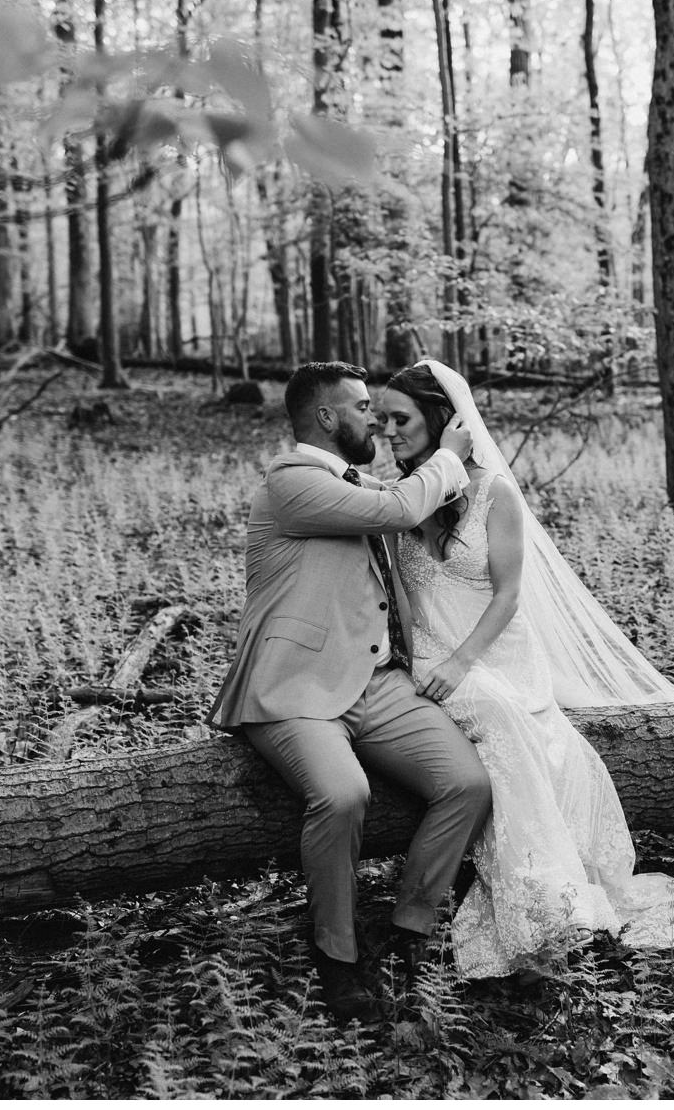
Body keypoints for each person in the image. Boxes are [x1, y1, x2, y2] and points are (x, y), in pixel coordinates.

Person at [377, 359, 674, 979]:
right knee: (497, 718)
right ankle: (545, 900)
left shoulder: (493, 493)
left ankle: (550, 902)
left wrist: (463, 662)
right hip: (432, 651)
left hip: (494, 650)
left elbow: (507, 596)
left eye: (401, 418)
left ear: (443, 420)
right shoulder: (400, 499)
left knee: (514, 720)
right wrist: (422, 661)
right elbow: (403, 598)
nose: (389, 431)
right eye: (382, 419)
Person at [208, 361, 493, 1022]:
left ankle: (412, 926)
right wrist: (448, 457)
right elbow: (400, 508)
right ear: (326, 416)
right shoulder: (291, 482)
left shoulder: (353, 480)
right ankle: (336, 958)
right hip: (294, 686)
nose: (375, 419)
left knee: (467, 784)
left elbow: (417, 514)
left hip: (377, 680)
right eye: (363, 407)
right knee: (342, 795)